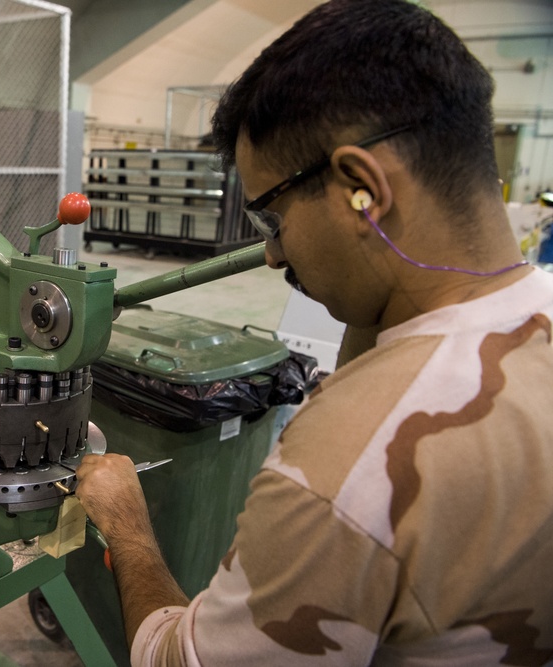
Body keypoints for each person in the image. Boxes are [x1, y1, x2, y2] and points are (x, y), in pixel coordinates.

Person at [75, 0, 553, 664]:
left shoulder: (352, 461)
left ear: (362, 188)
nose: (273, 255)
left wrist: (127, 527)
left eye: (273, 219)